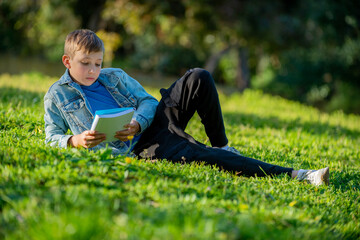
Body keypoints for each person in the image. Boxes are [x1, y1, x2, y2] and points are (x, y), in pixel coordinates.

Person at [44, 29, 330, 186]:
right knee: (196, 152)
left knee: (198, 77)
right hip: (138, 147)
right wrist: (74, 140)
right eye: (86, 63)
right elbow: (51, 135)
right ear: (67, 61)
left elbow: (146, 101)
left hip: (149, 124)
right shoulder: (56, 96)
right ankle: (299, 175)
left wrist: (139, 122)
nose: (94, 70)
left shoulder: (114, 76)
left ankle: (223, 146)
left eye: (98, 63)